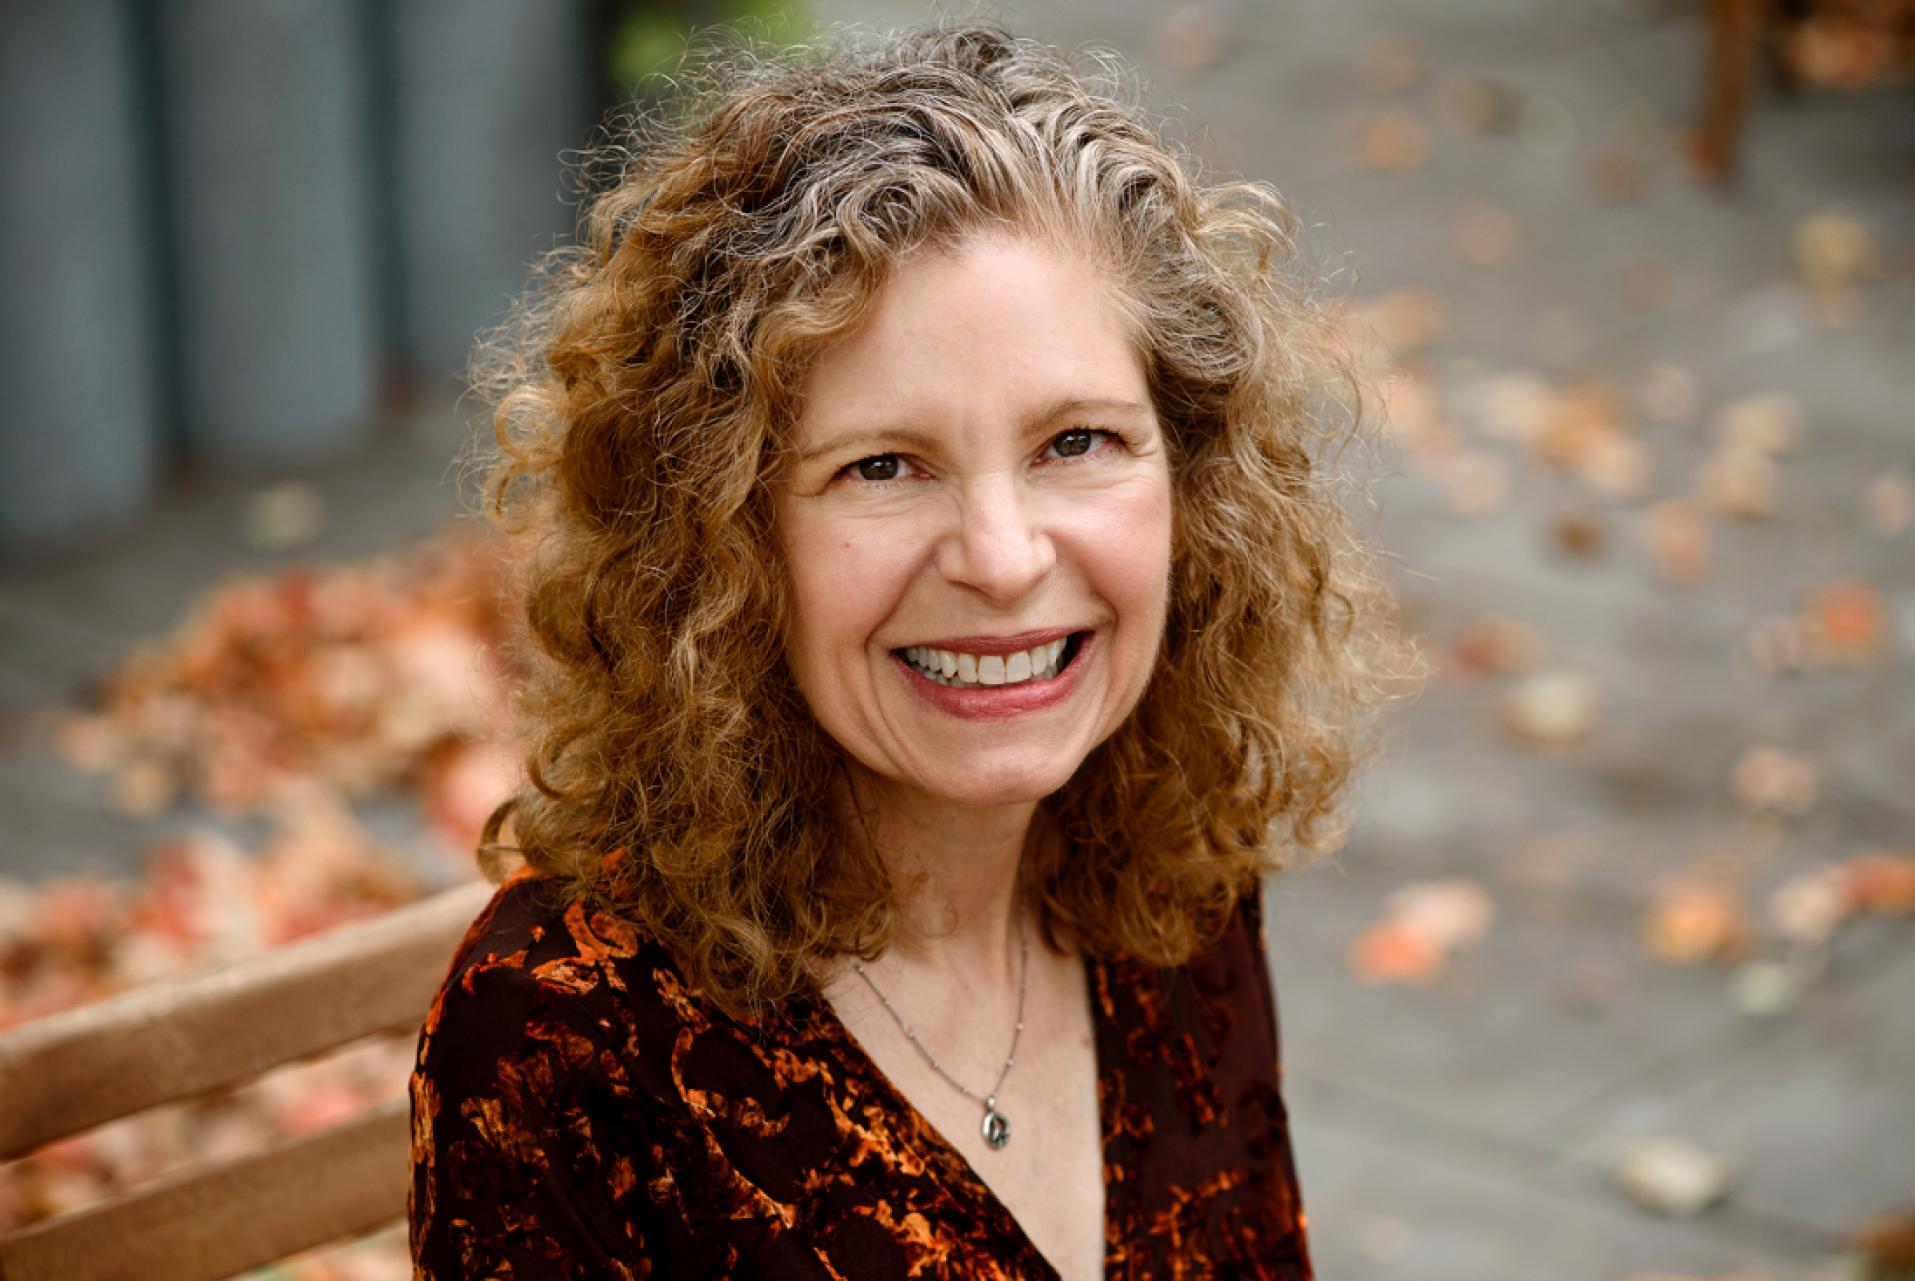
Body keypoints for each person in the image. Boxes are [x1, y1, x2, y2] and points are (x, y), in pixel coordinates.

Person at [408, 22, 1415, 1281]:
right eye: (883, 466)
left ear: (1193, 486)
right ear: (720, 543)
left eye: (1077, 443)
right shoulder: (565, 1042)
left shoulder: (1170, 868)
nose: (1000, 559)